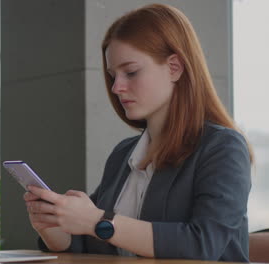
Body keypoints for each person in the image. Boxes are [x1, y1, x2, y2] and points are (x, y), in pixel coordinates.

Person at [23, 3, 252, 262]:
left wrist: (97, 220)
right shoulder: (124, 154)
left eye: (131, 72)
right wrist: (53, 225)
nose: (117, 87)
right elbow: (93, 240)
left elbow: (203, 244)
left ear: (174, 67)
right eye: (113, 76)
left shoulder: (222, 147)